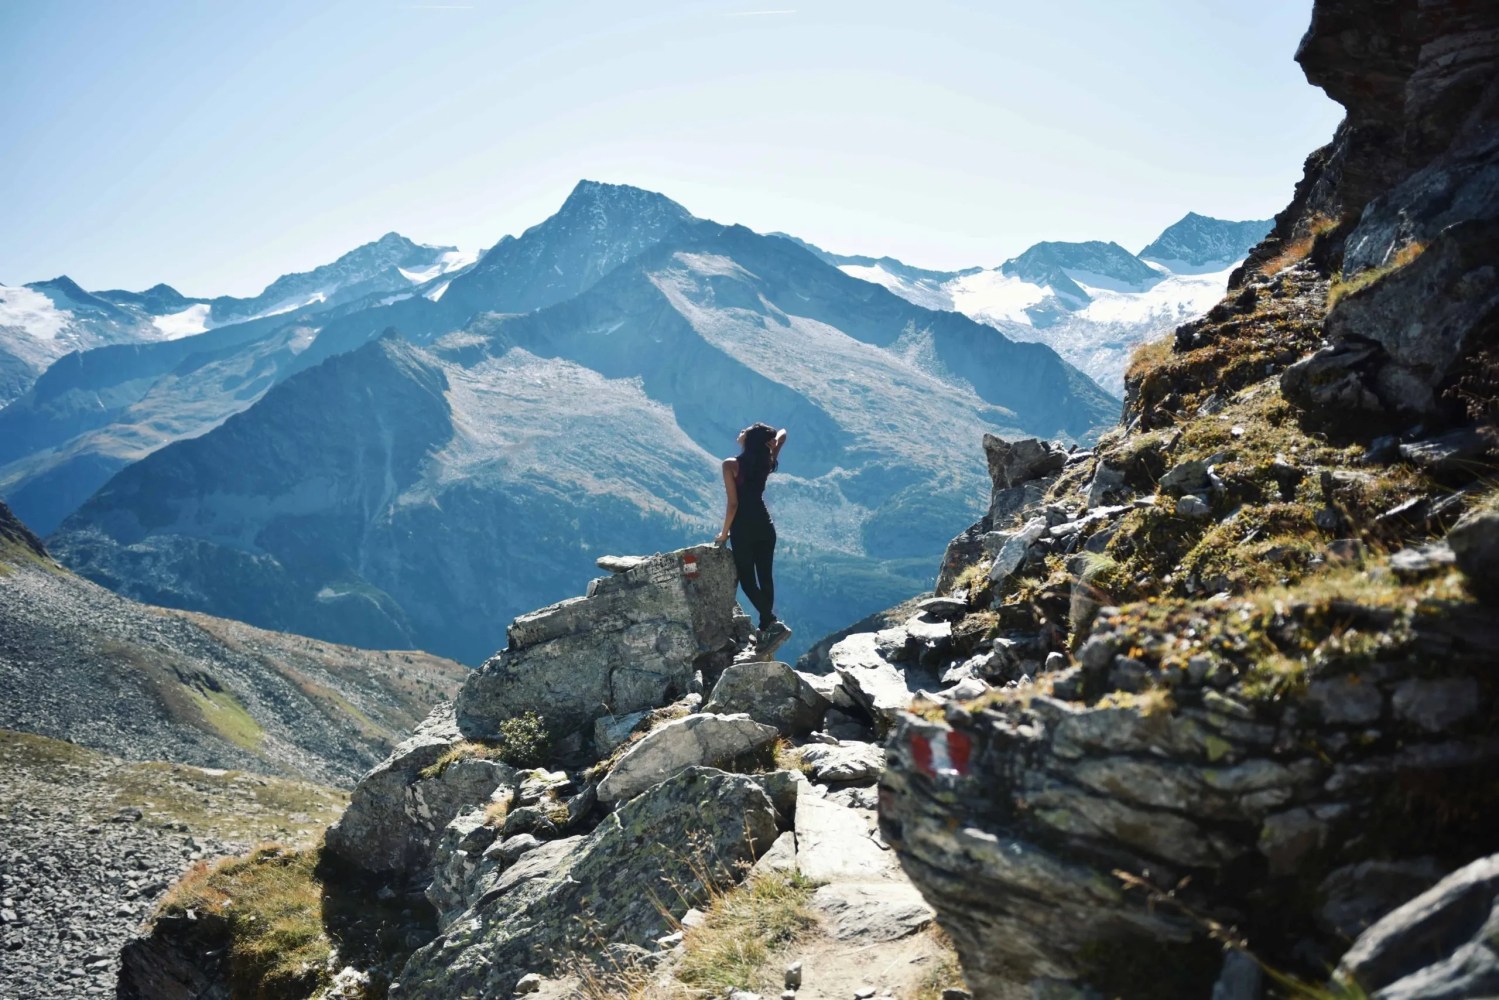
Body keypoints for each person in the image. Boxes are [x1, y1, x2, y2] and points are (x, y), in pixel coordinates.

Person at [714, 422, 789, 649]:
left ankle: (772, 624)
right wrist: (773, 441)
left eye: (744, 431)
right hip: (765, 526)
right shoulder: (766, 460)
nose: (740, 432)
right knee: (765, 577)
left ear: (748, 439)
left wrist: (724, 533)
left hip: (743, 529)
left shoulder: (731, 465)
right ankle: (766, 626)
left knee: (747, 581)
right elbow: (783, 433)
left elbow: (733, 504)